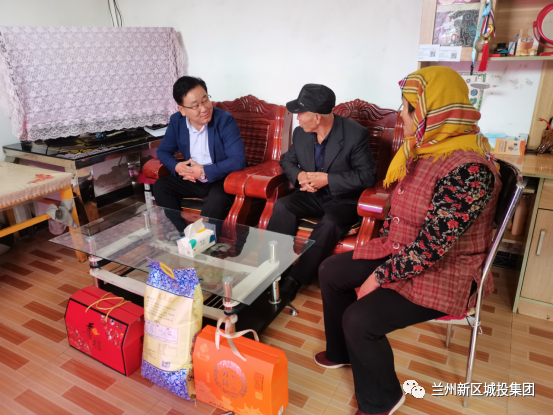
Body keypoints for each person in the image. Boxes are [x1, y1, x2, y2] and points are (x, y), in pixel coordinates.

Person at [316, 66, 501, 415]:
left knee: (360, 319)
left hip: (446, 271)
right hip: (405, 250)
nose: (401, 114)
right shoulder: (426, 148)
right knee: (331, 271)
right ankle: (342, 352)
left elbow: (432, 248)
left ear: (436, 112)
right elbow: (403, 212)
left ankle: (382, 398)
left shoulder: (469, 170)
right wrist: (384, 253)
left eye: (408, 108)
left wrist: (380, 275)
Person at [267, 84, 377, 301]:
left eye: (301, 113)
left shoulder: (355, 135)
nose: (297, 118)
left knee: (330, 223)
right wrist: (300, 177)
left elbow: (367, 176)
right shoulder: (301, 133)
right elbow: (287, 160)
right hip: (312, 195)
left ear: (317, 117)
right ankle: (273, 268)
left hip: (343, 200)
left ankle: (296, 278)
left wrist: (328, 180)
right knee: (282, 206)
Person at [154, 76, 247, 224]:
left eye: (205, 101)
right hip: (192, 179)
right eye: (195, 105)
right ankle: (181, 233)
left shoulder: (224, 120)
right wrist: (177, 167)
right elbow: (163, 151)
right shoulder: (177, 121)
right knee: (161, 186)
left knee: (217, 198)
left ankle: (206, 237)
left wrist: (204, 171)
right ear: (182, 110)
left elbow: (238, 160)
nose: (204, 109)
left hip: (220, 179)